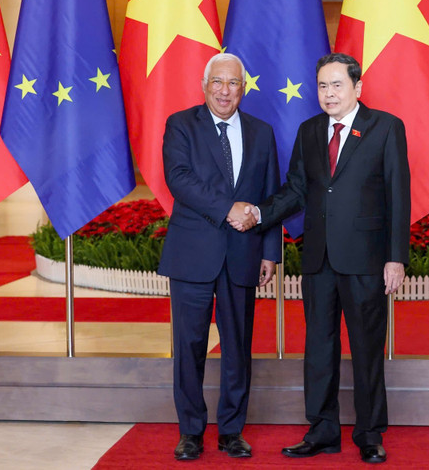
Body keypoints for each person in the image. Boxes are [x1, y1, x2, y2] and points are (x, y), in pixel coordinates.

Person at [236, 52, 410, 464]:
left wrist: (395, 257)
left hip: (366, 258)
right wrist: (260, 213)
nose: (328, 93)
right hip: (317, 259)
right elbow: (297, 189)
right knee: (318, 347)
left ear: (357, 88)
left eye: (336, 85)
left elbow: (398, 195)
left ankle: (369, 433)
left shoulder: (385, 128)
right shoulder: (310, 130)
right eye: (322, 86)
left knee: (367, 347)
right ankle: (322, 429)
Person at [158, 52, 281, 461]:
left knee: (238, 348)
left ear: (242, 88)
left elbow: (270, 196)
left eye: (233, 83)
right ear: (204, 85)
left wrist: (270, 252)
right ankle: (190, 432)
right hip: (193, 255)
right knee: (189, 347)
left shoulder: (262, 132)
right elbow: (179, 179)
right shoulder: (181, 125)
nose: (225, 90)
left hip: (243, 256)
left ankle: (231, 430)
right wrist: (227, 209)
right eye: (218, 82)